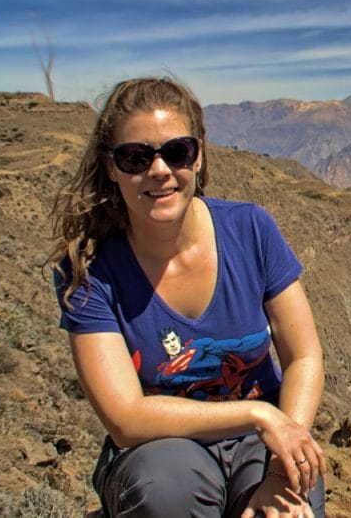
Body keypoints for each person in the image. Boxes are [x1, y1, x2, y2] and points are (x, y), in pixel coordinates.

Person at [48, 77, 326, 517]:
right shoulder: (91, 271)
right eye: (136, 157)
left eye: (176, 151)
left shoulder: (251, 230)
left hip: (263, 449)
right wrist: (261, 415)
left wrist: (279, 470)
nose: (159, 170)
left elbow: (303, 357)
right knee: (164, 490)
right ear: (111, 167)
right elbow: (126, 419)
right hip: (162, 450)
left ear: (198, 155)